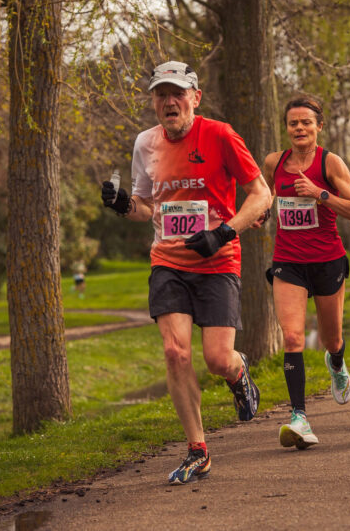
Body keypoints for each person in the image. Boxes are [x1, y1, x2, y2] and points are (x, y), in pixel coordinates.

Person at [101, 60, 271, 484]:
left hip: (217, 262)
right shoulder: (145, 143)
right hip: (168, 262)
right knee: (175, 353)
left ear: (195, 97)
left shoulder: (220, 135)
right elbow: (146, 209)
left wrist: (223, 233)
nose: (169, 101)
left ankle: (238, 371)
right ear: (154, 103)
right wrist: (123, 204)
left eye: (177, 93)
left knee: (216, 359)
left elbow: (261, 195)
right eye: (161, 94)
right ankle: (198, 449)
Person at [262, 95, 350, 450]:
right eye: (293, 123)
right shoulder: (274, 162)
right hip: (288, 261)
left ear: (319, 126)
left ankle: (336, 361)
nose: (300, 128)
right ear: (286, 128)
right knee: (292, 338)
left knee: (331, 338)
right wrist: (263, 210)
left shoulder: (330, 162)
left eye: (306, 122)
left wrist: (321, 194)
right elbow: (265, 196)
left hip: (327, 261)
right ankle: (299, 417)